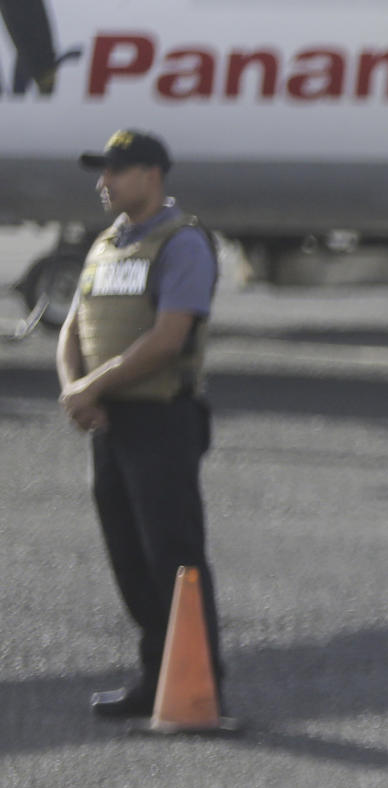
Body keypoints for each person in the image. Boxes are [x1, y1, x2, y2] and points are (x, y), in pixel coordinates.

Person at [56, 129, 223, 719]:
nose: (104, 182)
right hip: (111, 420)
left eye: (115, 171)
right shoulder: (106, 244)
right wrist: (76, 390)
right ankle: (157, 676)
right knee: (127, 552)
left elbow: (167, 339)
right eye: (103, 172)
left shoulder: (182, 243)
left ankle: (199, 683)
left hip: (160, 418)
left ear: (152, 174)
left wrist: (90, 388)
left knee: (172, 554)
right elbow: (73, 327)